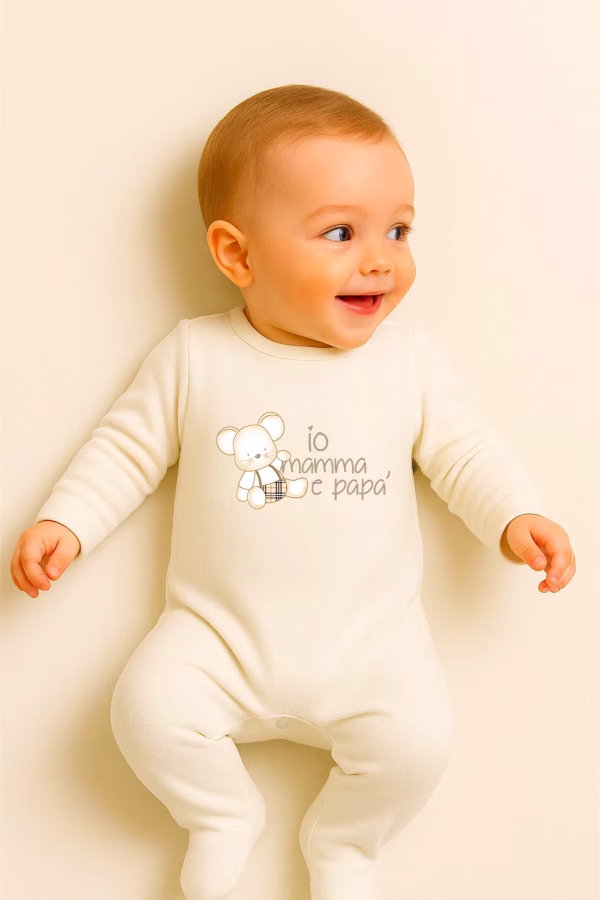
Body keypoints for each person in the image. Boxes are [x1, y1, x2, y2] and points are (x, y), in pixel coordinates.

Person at [9, 84, 576, 900]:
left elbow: (465, 452)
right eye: (341, 233)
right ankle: (219, 812)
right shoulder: (197, 356)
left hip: (372, 648)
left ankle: (344, 843)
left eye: (399, 229)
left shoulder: (406, 364)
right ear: (237, 255)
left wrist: (516, 515)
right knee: (145, 709)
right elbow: (125, 450)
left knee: (419, 743)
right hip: (217, 639)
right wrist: (67, 521)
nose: (381, 258)